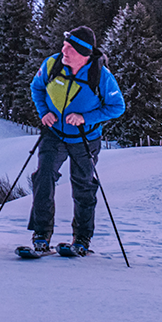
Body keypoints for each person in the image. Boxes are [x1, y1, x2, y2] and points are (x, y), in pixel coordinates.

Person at [28, 26, 125, 255]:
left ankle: (82, 239)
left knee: (83, 186)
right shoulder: (52, 65)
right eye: (64, 45)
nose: (64, 50)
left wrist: (85, 118)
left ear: (83, 54)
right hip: (54, 134)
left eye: (70, 48)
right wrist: (44, 113)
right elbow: (37, 88)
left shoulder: (101, 76)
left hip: (85, 139)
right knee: (43, 177)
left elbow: (117, 107)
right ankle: (41, 234)